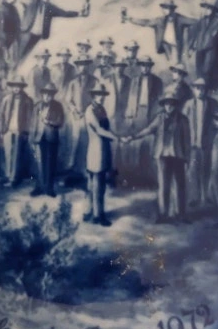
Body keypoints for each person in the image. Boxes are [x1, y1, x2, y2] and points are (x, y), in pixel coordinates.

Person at [126, 89, 191, 223]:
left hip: (178, 156)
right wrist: (133, 137)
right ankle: (163, 214)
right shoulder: (159, 118)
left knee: (180, 186)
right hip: (162, 156)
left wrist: (187, 157)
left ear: (175, 105)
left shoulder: (183, 119)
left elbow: (187, 140)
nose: (169, 106)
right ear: (164, 104)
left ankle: (181, 214)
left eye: (172, 103)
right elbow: (148, 130)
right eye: (167, 103)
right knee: (163, 186)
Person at [20, 0, 89, 58]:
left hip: (40, 37)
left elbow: (64, 13)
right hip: (27, 33)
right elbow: (22, 0)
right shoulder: (32, 4)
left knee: (28, 56)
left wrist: (79, 13)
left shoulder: (50, 7)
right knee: (20, 53)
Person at [124, 55, 163, 183]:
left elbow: (159, 100)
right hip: (137, 113)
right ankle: (134, 175)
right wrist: (130, 116)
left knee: (149, 144)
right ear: (140, 67)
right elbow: (131, 99)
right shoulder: (135, 80)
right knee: (135, 144)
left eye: (147, 66)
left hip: (151, 113)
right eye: (143, 66)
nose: (145, 68)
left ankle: (148, 175)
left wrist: (156, 115)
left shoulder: (157, 82)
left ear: (150, 67)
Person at [84, 83, 118, 226]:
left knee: (98, 183)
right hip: (95, 150)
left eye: (102, 95)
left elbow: (106, 129)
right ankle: (97, 215)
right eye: (98, 95)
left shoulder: (101, 109)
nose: (101, 98)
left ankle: (92, 211)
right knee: (96, 183)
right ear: (93, 96)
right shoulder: (90, 111)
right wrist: (117, 137)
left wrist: (112, 136)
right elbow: (99, 130)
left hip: (103, 148)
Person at [185, 77, 218, 215]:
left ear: (206, 90)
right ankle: (194, 197)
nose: (199, 91)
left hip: (206, 144)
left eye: (202, 88)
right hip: (193, 144)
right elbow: (183, 121)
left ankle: (206, 196)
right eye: (197, 88)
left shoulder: (212, 104)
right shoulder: (188, 104)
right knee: (193, 171)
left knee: (206, 170)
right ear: (193, 89)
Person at [122, 0, 197, 63]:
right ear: (163, 9)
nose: (168, 10)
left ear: (173, 9)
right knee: (170, 63)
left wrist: (192, 42)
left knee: (176, 63)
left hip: (175, 46)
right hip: (165, 45)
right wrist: (131, 19)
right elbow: (147, 22)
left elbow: (195, 22)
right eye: (166, 8)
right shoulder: (160, 20)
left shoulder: (180, 18)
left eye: (170, 8)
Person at [0, 74, 34, 187]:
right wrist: (1, 130)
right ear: (12, 87)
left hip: (19, 130)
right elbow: (1, 115)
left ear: (22, 87)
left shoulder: (27, 100)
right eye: (14, 86)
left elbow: (29, 118)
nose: (16, 88)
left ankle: (14, 178)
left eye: (19, 86)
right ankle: (8, 175)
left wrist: (26, 131)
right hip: (8, 130)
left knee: (17, 155)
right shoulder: (6, 99)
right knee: (8, 153)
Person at [187, 2, 218, 85]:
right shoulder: (201, 21)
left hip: (210, 47)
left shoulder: (217, 20)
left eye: (209, 8)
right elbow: (194, 34)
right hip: (199, 46)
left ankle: (206, 86)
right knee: (198, 68)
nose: (207, 10)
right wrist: (191, 48)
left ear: (213, 10)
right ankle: (198, 86)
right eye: (205, 8)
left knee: (207, 68)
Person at [30, 82, 65, 197]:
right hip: (39, 137)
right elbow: (33, 123)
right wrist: (32, 137)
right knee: (39, 164)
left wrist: (49, 122)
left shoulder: (58, 106)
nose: (47, 96)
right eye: (45, 94)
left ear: (53, 95)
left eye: (49, 94)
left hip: (51, 138)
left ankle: (49, 188)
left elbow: (60, 122)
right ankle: (39, 187)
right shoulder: (37, 106)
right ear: (42, 95)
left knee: (50, 163)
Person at [65, 57, 97, 174]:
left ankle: (86, 167)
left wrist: (88, 110)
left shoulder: (94, 81)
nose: (83, 67)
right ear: (78, 67)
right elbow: (68, 100)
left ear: (88, 66)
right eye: (80, 65)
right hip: (76, 116)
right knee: (75, 140)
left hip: (90, 115)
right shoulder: (73, 83)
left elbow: (97, 98)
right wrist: (74, 110)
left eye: (85, 64)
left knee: (88, 140)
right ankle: (71, 166)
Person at [0, 0, 21, 70]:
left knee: (14, 67)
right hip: (6, 44)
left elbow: (17, 25)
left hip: (14, 42)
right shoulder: (1, 10)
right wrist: (5, 48)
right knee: (7, 67)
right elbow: (1, 31)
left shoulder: (13, 9)